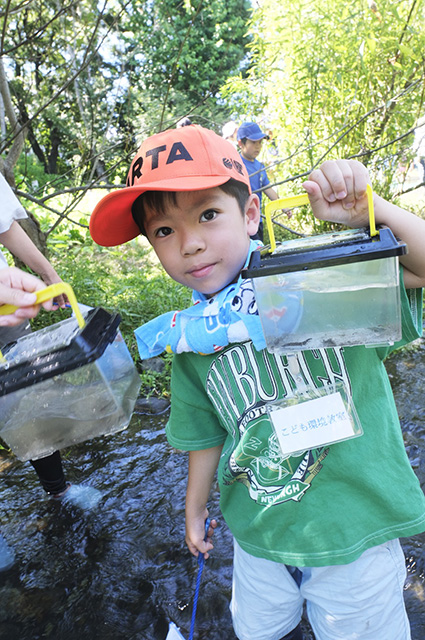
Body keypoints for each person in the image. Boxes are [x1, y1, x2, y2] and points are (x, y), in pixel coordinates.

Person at [89, 125, 425, 640]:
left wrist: (371, 214)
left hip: (354, 537)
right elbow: (205, 436)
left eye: (207, 214)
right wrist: (195, 509)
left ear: (250, 215)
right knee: (258, 631)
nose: (190, 244)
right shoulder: (192, 340)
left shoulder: (320, 286)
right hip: (257, 538)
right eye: (163, 231)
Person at [0, 173, 101, 510]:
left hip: (3, 304)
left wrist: (50, 275)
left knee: (27, 396)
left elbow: (5, 224)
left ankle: (58, 490)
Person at [237, 121, 280, 241]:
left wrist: (282, 206)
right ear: (241, 143)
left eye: (260, 142)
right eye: (253, 142)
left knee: (257, 252)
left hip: (256, 220)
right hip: (240, 221)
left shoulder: (260, 167)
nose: (258, 146)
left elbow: (267, 189)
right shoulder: (236, 165)